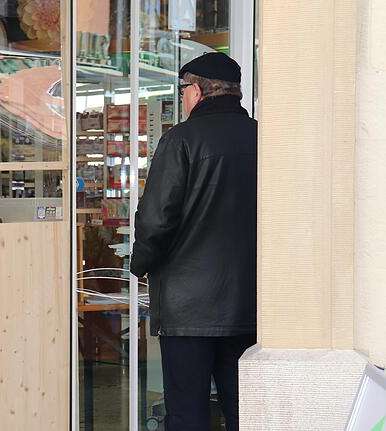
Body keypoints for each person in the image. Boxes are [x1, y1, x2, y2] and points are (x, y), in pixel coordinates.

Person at [130, 52, 257, 431]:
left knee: (187, 414)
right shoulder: (263, 138)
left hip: (187, 311)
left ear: (197, 91)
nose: (183, 97)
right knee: (244, 411)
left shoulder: (180, 141)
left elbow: (155, 219)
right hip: (250, 304)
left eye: (183, 89)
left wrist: (139, 264)